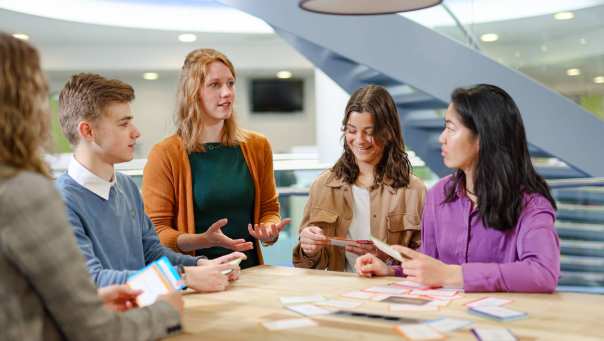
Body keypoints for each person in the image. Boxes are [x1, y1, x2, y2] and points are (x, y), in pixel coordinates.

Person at [0, 32, 183, 340]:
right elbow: (93, 331)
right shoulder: (24, 193)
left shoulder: (124, 186)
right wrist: (167, 312)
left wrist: (94, 300)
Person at [355, 84, 560, 293]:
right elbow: (432, 265)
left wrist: (455, 275)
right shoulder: (439, 194)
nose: (441, 138)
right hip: (445, 318)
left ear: (482, 138)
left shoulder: (531, 204)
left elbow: (543, 274)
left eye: (451, 129)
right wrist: (392, 271)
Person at [56, 73, 242, 290]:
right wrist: (185, 277)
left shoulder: (126, 187)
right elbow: (92, 281)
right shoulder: (59, 202)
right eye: (123, 124)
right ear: (87, 131)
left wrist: (202, 265)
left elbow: (152, 254)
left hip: (147, 316)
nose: (136, 133)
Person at [142, 48, 290, 269]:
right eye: (215, 85)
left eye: (230, 84)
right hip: (196, 275)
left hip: (249, 271)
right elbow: (157, 232)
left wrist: (268, 230)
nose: (227, 92)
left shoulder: (257, 146)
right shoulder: (165, 154)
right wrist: (204, 239)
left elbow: (269, 209)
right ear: (193, 93)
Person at [292, 85, 427, 272]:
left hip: (391, 292)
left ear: (388, 133)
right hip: (339, 294)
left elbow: (428, 260)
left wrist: (389, 259)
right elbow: (305, 265)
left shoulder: (414, 191)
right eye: (352, 130)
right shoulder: (323, 186)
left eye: (369, 132)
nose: (359, 140)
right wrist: (309, 249)